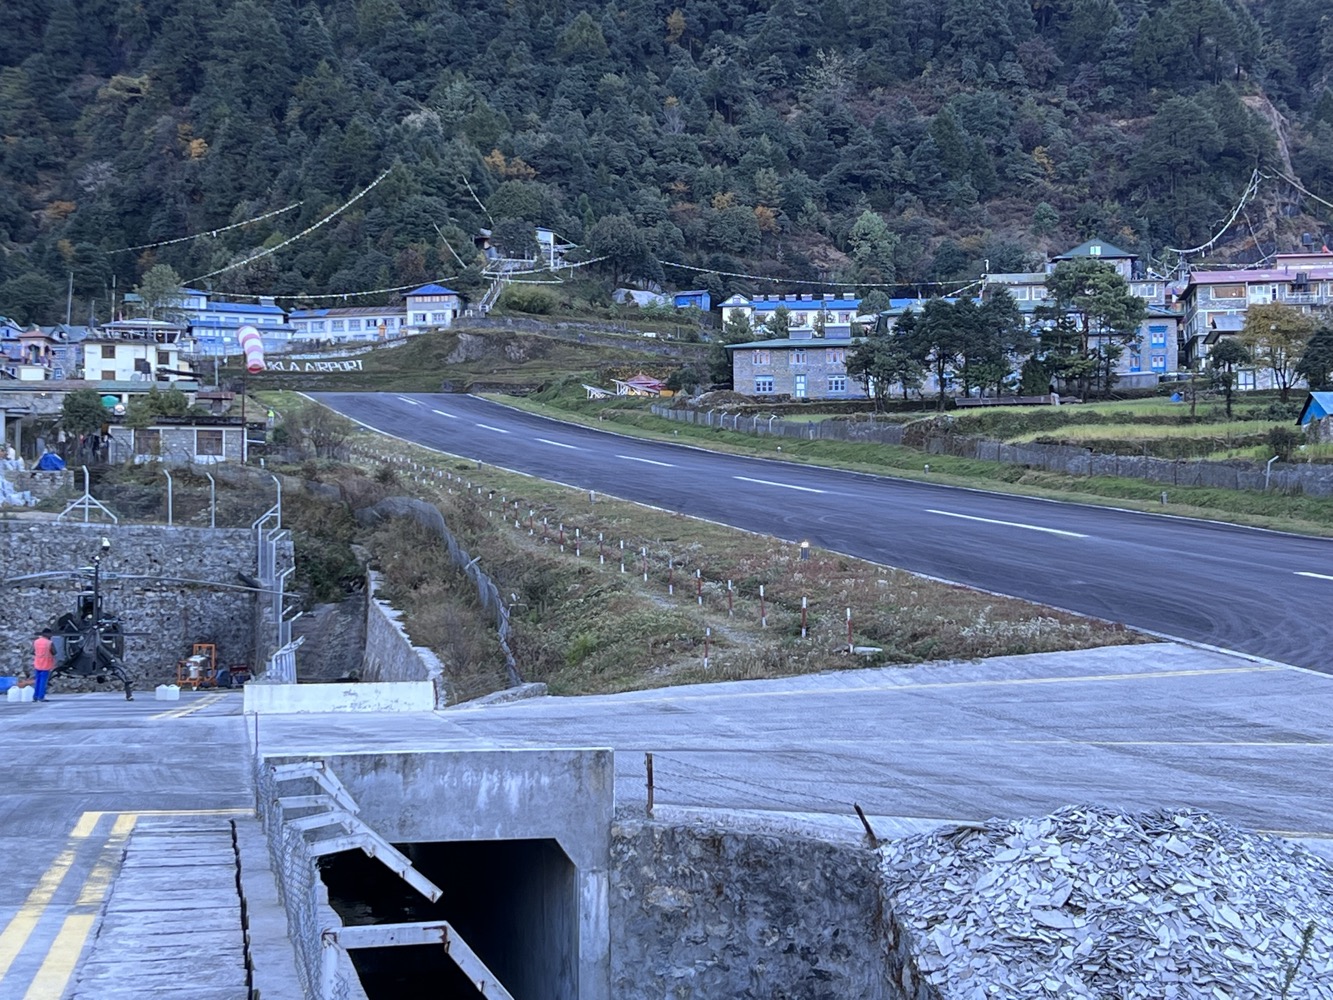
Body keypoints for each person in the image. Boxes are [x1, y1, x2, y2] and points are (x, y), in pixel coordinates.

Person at [32, 628, 55, 702]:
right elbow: (54, 652)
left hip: (37, 663)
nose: (51, 635)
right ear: (47, 634)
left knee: (37, 681)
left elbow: (32, 651)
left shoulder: (36, 642)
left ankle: (35, 696)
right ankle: (41, 697)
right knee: (43, 681)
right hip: (46, 664)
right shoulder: (49, 643)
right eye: (50, 634)